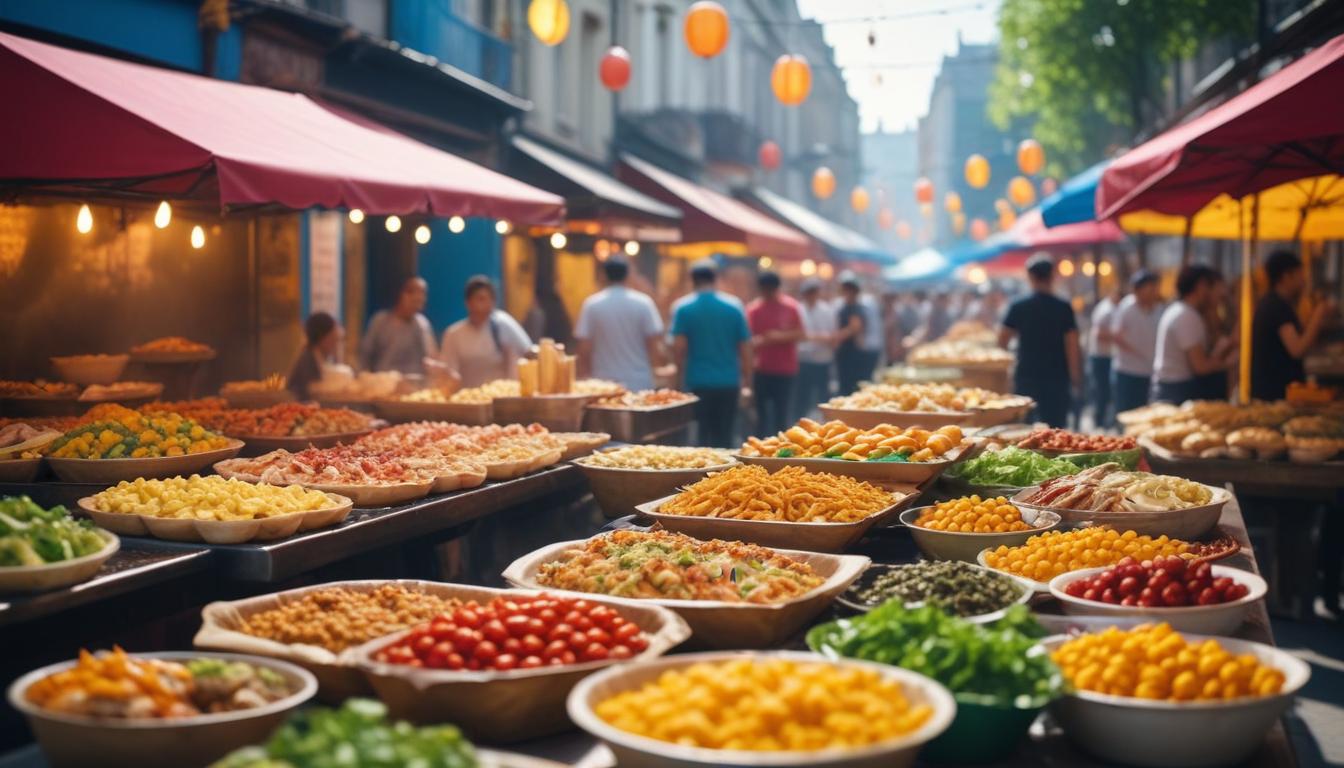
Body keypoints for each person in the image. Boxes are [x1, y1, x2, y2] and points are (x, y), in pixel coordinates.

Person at [671, 260, 752, 448]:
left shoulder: (683, 308)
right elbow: (745, 347)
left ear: (692, 281)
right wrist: (747, 379)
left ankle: (702, 475)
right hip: (729, 381)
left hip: (698, 381)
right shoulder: (734, 306)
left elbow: (678, 349)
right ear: (715, 279)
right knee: (725, 435)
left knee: (701, 435)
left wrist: (677, 379)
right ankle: (727, 475)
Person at [999, 256, 1081, 428]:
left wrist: (1005, 371)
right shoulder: (1063, 307)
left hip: (1026, 374)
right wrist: (1075, 377)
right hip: (1057, 376)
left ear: (1030, 277)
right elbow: (1072, 344)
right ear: (1052, 276)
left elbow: (1002, 338)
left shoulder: (1018, 305)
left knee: (1022, 429)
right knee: (1055, 430)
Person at [1251, 250, 1334, 401]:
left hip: (1274, 393)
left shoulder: (1275, 303)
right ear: (1286, 276)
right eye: (1300, 275)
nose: (1304, 281)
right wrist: (1318, 314)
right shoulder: (1276, 306)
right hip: (1275, 396)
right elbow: (1297, 349)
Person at [574, 257, 664, 392]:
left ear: (603, 275)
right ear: (628, 274)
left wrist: (583, 376)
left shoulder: (592, 305)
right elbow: (653, 344)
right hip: (639, 382)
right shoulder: (644, 303)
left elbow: (584, 347)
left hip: (603, 385)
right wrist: (657, 369)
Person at [1152, 265, 1234, 403]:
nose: (1221, 294)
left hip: (1174, 387)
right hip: (1177, 390)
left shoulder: (1186, 312)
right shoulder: (1186, 316)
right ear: (1201, 287)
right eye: (1213, 288)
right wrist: (1229, 363)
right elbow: (1200, 366)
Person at [438, 275, 532, 388]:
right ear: (468, 302)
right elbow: (448, 373)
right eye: (481, 299)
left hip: (500, 398)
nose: (486, 304)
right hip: (469, 399)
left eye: (490, 299)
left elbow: (528, 352)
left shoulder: (503, 324)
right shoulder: (453, 334)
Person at [746, 270, 804, 436]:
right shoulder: (753, 310)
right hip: (761, 369)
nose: (768, 293)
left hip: (785, 369)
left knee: (782, 413)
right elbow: (747, 340)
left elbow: (801, 333)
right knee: (761, 415)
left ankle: (782, 451)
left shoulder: (790, 307)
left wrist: (778, 336)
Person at [1107, 270, 1164, 416]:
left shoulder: (1159, 309)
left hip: (1149, 371)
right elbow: (1116, 335)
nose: (1153, 292)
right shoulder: (1127, 307)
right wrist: (1137, 351)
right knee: (1125, 413)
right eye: (1150, 288)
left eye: (1155, 288)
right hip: (1127, 371)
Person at [359, 277, 437, 375]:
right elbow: (365, 355)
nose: (419, 297)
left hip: (414, 385)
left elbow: (431, 358)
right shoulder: (380, 321)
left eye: (423, 293)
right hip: (384, 383)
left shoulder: (423, 325)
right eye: (412, 292)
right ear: (402, 294)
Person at [794, 278, 836, 419]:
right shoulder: (798, 309)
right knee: (802, 396)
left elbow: (831, 335)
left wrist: (811, 337)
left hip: (822, 359)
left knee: (823, 396)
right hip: (803, 359)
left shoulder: (827, 310)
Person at [834, 274, 881, 396]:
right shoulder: (846, 306)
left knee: (853, 389)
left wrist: (835, 337)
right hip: (847, 354)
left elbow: (855, 328)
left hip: (853, 354)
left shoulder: (856, 308)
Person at [287, 312, 343, 400]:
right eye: (333, 337)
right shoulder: (307, 360)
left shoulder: (318, 356)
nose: (336, 343)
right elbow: (308, 393)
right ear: (322, 338)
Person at [1087, 287, 1121, 427]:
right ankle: (1099, 420)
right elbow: (1099, 334)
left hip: (1107, 355)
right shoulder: (1105, 309)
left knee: (1105, 390)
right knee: (1102, 390)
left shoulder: (1113, 308)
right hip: (1101, 356)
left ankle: (1103, 420)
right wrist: (1118, 337)